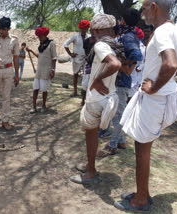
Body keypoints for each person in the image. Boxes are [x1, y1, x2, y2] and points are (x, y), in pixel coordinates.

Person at [115, 0, 177, 211]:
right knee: (142, 145)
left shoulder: (162, 32)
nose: (142, 12)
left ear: (154, 7)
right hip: (164, 97)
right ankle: (142, 192)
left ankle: (140, 200)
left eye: (145, 7)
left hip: (156, 99)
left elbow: (171, 63)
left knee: (142, 147)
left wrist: (154, 87)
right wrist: (170, 77)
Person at [69, 14, 123, 184]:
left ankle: (91, 172)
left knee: (91, 134)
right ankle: (89, 165)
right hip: (109, 96)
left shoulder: (100, 45)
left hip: (97, 98)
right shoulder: (116, 43)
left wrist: (98, 79)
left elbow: (115, 64)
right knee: (93, 133)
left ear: (96, 30)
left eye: (93, 30)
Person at [97, 8, 143, 157]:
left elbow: (136, 55)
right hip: (120, 80)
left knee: (118, 115)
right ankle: (121, 141)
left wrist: (124, 65)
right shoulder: (128, 35)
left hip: (123, 80)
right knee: (116, 114)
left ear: (123, 20)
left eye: (120, 20)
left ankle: (112, 146)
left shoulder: (128, 36)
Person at [26, 27, 57, 113]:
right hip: (39, 71)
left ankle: (43, 105)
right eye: (38, 36)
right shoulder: (41, 45)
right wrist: (31, 51)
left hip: (46, 70)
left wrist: (53, 70)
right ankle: (34, 107)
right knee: (35, 89)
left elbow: (54, 58)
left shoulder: (51, 44)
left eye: (40, 36)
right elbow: (39, 56)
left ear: (45, 35)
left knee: (44, 89)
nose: (39, 38)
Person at [63, 20, 90, 97]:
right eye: (82, 28)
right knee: (75, 75)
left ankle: (85, 92)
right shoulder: (75, 36)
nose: (84, 30)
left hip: (86, 59)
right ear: (80, 28)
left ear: (87, 28)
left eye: (85, 28)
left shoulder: (89, 37)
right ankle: (75, 91)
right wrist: (70, 54)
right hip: (77, 59)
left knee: (87, 75)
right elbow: (65, 44)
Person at [81, 29, 96, 106]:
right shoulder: (86, 41)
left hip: (96, 64)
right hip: (88, 64)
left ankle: (90, 101)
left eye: (95, 31)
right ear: (90, 31)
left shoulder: (99, 42)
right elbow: (85, 53)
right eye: (92, 31)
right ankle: (83, 100)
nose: (93, 32)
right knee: (85, 83)